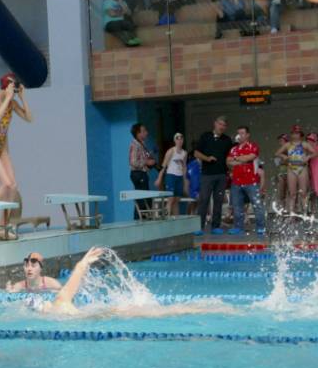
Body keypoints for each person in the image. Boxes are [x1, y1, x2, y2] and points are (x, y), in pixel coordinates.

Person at [31, 247, 235, 317]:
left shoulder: (59, 307)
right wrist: (84, 262)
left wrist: (83, 263)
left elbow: (73, 281)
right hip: (108, 313)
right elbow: (75, 276)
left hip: (110, 314)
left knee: (167, 312)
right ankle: (212, 308)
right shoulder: (60, 303)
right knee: (167, 311)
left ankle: (212, 309)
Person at [0, 73, 33, 235]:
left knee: (13, 186)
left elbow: (29, 118)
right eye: (12, 90)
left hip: (2, 148)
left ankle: (4, 225)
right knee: (5, 184)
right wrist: (8, 97)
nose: (13, 94)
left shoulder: (12, 102)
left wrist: (22, 98)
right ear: (5, 88)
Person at [194, 116, 233, 234]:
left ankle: (216, 226)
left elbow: (230, 157)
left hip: (221, 175)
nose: (221, 127)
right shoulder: (205, 136)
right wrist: (207, 158)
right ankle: (199, 226)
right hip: (207, 175)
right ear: (215, 124)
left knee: (218, 201)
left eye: (224, 125)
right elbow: (196, 153)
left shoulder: (227, 140)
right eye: (220, 124)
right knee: (204, 200)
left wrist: (231, 169)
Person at [226, 126, 266, 234]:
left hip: (251, 181)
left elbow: (251, 157)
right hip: (236, 182)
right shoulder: (233, 149)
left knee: (257, 205)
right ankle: (238, 227)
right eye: (238, 133)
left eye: (242, 133)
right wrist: (242, 159)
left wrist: (237, 159)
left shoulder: (253, 146)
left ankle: (261, 227)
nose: (240, 135)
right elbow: (228, 161)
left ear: (248, 135)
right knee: (237, 206)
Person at [275, 125, 317, 214]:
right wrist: (284, 156)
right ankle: (292, 214)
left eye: (297, 133)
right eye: (294, 133)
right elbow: (277, 153)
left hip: (302, 168)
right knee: (292, 193)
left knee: (303, 193)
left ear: (300, 134)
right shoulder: (288, 144)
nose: (295, 135)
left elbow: (315, 153)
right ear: (291, 134)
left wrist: (308, 157)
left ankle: (305, 213)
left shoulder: (304, 144)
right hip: (291, 168)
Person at [129, 123, 157, 219]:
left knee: (146, 199)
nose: (147, 133)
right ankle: (138, 221)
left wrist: (150, 162)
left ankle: (142, 219)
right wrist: (146, 162)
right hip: (138, 174)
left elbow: (143, 159)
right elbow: (133, 162)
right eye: (144, 131)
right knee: (142, 199)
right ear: (138, 133)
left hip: (143, 173)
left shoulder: (142, 144)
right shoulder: (135, 145)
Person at [155, 133, 187, 216]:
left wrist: (185, 180)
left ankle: (176, 219)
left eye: (181, 139)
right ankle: (167, 218)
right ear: (174, 140)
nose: (179, 140)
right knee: (171, 199)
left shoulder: (184, 153)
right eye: (177, 139)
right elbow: (163, 166)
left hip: (179, 177)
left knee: (177, 200)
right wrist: (159, 178)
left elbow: (184, 167)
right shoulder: (171, 151)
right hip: (171, 176)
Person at [273, 133, 289, 210]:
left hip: (290, 173)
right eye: (279, 141)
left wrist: (284, 161)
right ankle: (283, 210)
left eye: (282, 141)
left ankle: (290, 210)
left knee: (290, 193)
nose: (280, 143)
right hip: (281, 173)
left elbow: (292, 162)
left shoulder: (291, 150)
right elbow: (277, 163)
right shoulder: (279, 151)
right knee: (281, 193)